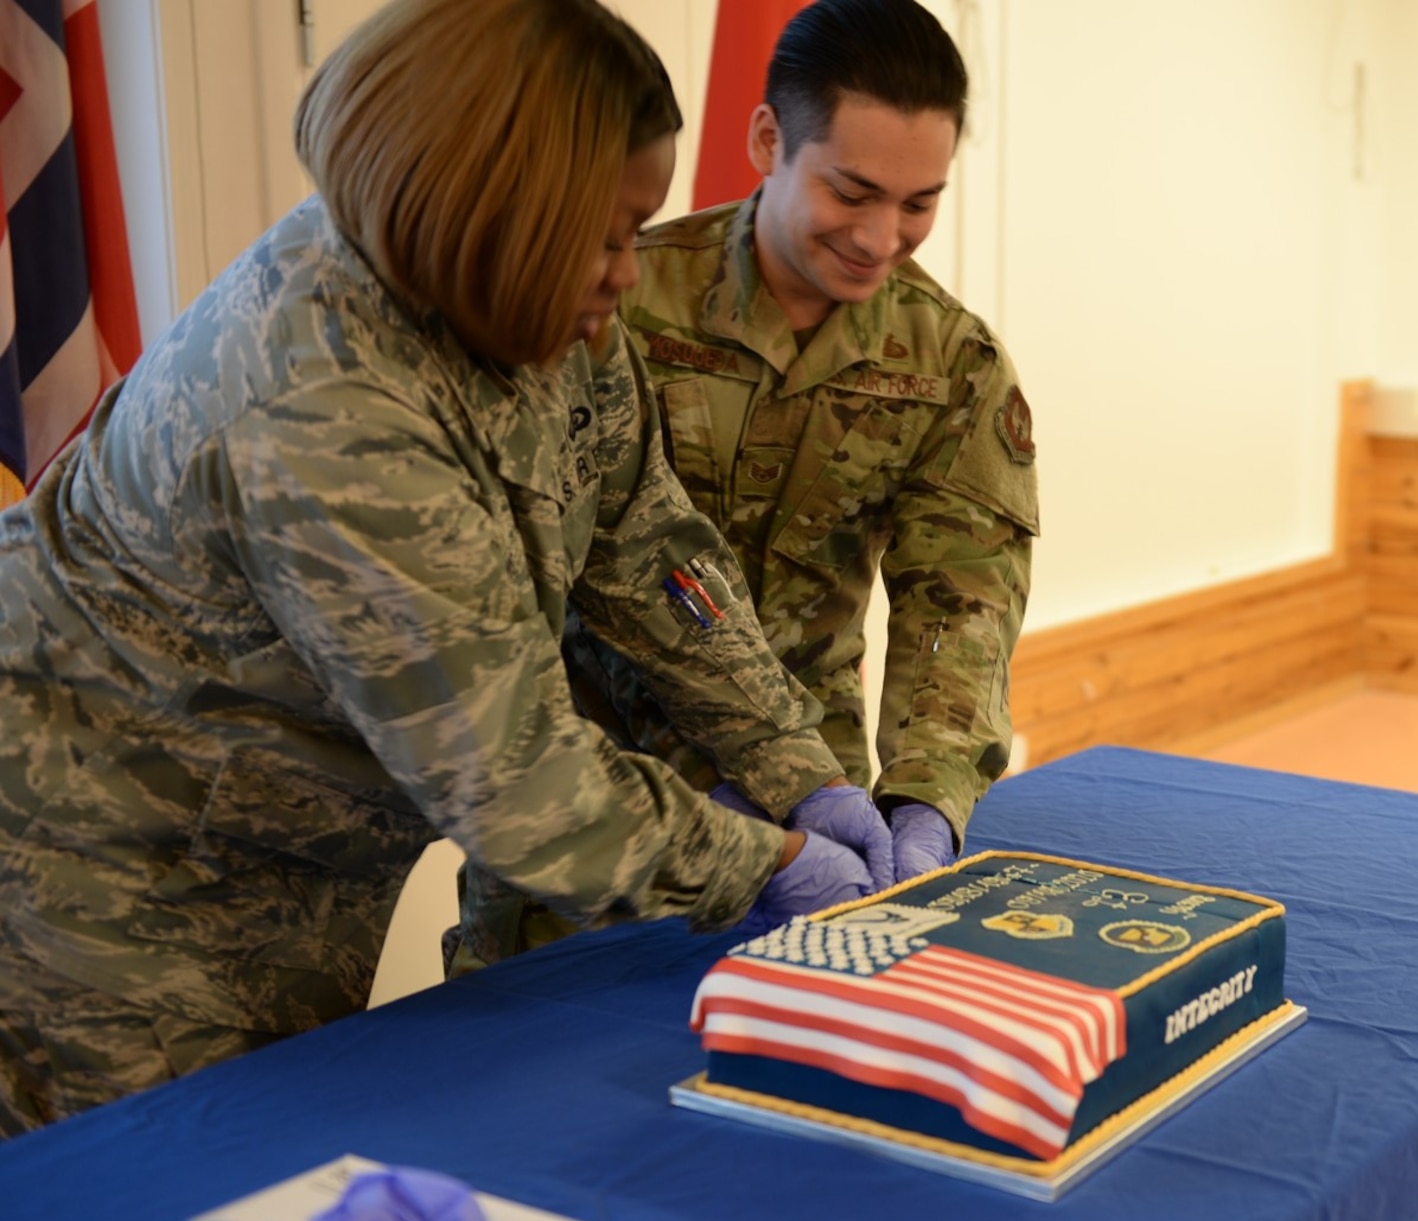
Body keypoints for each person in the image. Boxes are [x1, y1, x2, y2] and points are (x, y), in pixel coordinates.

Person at [0, 0, 881, 1138]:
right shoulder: (326, 404)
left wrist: (796, 765)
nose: (628, 273)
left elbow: (647, 548)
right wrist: (766, 861)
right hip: (114, 863)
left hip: (293, 848)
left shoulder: (530, 295)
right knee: (161, 1220)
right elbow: (523, 791)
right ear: (493, 209)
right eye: (608, 233)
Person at [453, 0, 1036, 971]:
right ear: (769, 139)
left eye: (918, 202)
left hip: (812, 791)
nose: (882, 236)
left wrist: (923, 799)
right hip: (594, 792)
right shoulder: (615, 297)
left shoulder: (951, 361)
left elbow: (960, 606)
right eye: (851, 191)